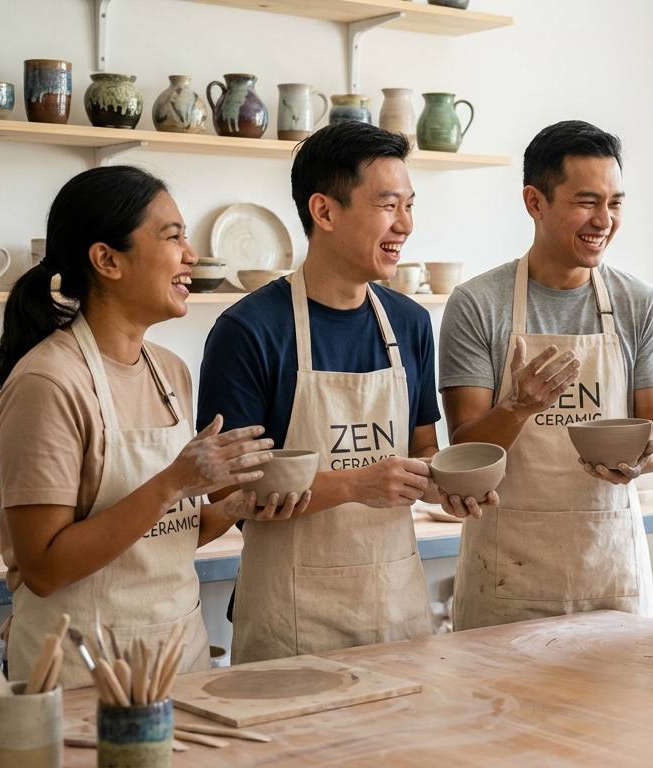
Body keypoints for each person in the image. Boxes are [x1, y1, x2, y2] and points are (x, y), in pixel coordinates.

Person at [0, 166, 307, 688]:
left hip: (178, 659)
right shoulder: (48, 384)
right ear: (107, 259)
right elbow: (43, 568)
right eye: (173, 236)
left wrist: (233, 508)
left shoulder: (169, 370)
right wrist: (174, 481)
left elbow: (163, 536)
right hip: (81, 672)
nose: (192, 255)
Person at [198, 122, 481, 663]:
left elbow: (422, 449)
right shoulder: (249, 331)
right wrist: (356, 484)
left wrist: (448, 486)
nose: (405, 225)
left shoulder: (410, 323)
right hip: (291, 622)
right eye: (388, 205)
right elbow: (227, 495)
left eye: (410, 206)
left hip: (397, 610)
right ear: (324, 212)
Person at [439, 120, 653, 629]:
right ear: (534, 201)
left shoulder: (639, 303)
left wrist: (642, 458)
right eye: (586, 201)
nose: (604, 220)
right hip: (507, 575)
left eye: (615, 203)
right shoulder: (479, 304)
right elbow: (464, 449)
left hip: (608, 572)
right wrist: (519, 407)